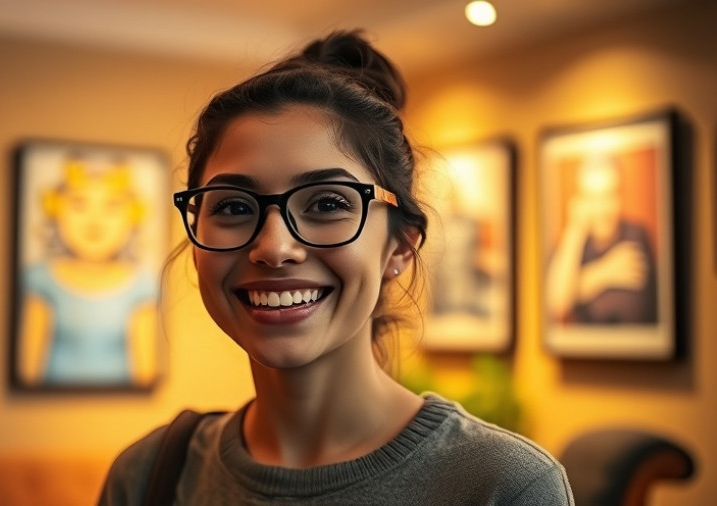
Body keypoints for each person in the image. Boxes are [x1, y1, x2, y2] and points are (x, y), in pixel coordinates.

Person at [99, 31, 573, 504]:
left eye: (327, 203)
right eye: (233, 207)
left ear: (401, 247)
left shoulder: (503, 486)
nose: (274, 247)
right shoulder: (149, 477)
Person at [18, 158, 158, 387]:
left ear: (132, 215)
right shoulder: (41, 280)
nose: (95, 220)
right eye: (79, 204)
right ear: (56, 209)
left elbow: (146, 373)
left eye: (111, 206)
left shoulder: (142, 286)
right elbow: (29, 371)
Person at [546, 154, 658, 324]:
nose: (602, 209)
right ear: (580, 201)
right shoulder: (574, 245)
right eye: (592, 197)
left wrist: (580, 283)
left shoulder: (636, 236)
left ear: (620, 198)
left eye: (609, 195)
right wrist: (605, 271)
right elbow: (557, 302)